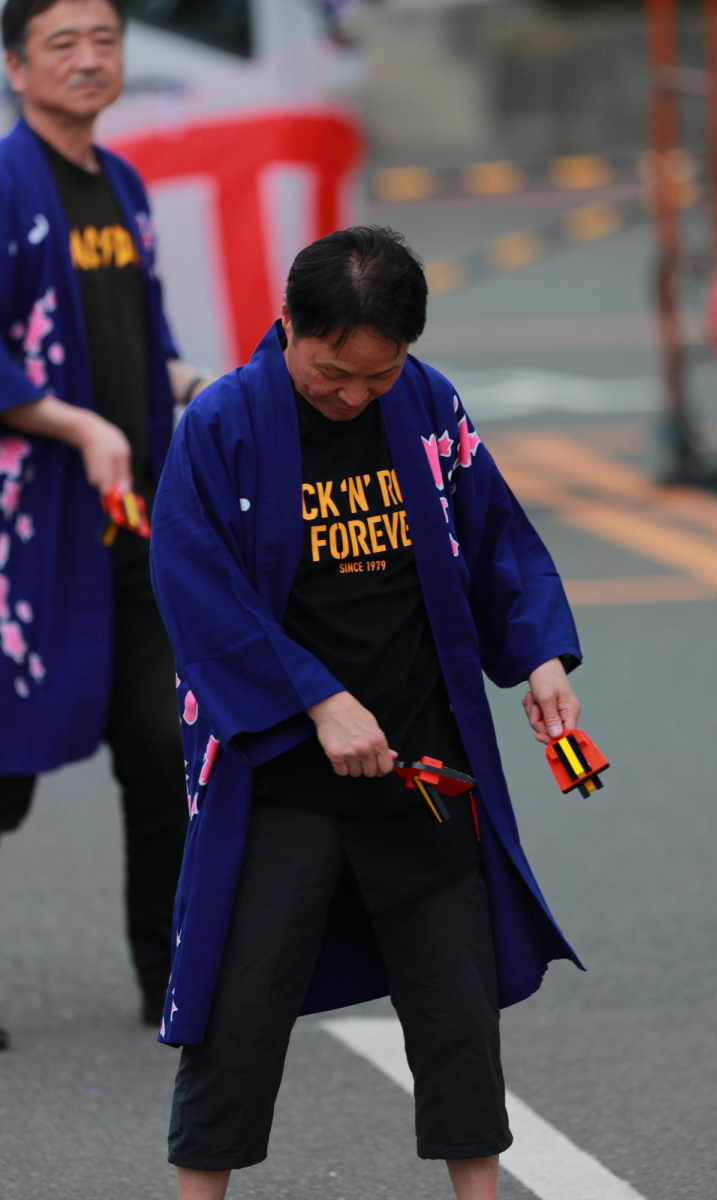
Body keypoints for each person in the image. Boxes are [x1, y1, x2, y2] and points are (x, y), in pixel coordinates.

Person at [150, 225, 585, 1200]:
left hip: (419, 765)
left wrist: (542, 654)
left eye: (374, 377)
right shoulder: (221, 424)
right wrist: (315, 698)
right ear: (286, 327)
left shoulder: (424, 404)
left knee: (457, 1005)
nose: (350, 394)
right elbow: (195, 590)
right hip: (282, 779)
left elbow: (495, 538)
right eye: (329, 373)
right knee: (239, 1004)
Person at [0, 0, 213, 1044]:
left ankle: (172, 979)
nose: (89, 61)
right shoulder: (4, 184)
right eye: (62, 44)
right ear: (14, 64)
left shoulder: (121, 186)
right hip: (25, 539)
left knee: (163, 747)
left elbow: (148, 335)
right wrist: (77, 425)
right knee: (3, 773)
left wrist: (202, 387)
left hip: (131, 528)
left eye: (105, 41)